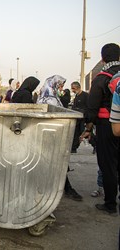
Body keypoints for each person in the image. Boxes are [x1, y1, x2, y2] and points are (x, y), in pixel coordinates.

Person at [81, 43, 120, 215]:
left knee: (108, 165)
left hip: (107, 126)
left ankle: (110, 204)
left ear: (103, 58)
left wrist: (88, 129)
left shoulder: (101, 78)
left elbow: (92, 108)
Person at [35, 75, 83, 201]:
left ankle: (62, 188)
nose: (61, 88)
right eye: (60, 85)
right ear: (54, 84)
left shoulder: (47, 95)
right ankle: (61, 190)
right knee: (56, 164)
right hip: (51, 135)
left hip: (50, 134)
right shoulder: (50, 99)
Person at [70, 81, 89, 153]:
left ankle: (95, 145)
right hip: (77, 118)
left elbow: (88, 107)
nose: (73, 90)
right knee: (75, 133)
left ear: (78, 87)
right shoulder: (76, 96)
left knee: (84, 133)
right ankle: (73, 148)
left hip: (84, 118)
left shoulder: (85, 96)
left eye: (73, 88)